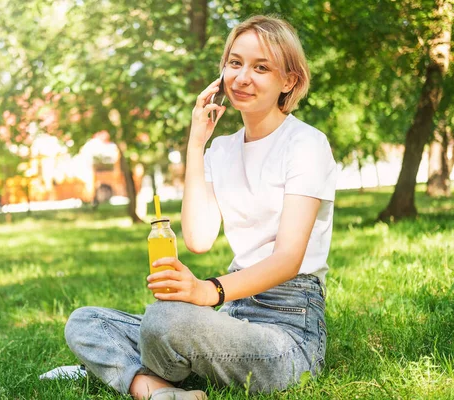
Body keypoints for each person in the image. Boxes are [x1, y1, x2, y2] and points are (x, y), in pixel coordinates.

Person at [65, 15, 337, 400]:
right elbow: (198, 238)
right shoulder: (221, 150)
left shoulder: (306, 144)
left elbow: (289, 258)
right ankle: (157, 391)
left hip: (288, 329)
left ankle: (123, 369)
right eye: (235, 62)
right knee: (85, 321)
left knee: (163, 320)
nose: (242, 77)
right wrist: (196, 146)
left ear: (288, 80)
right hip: (232, 315)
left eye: (261, 67)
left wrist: (208, 292)